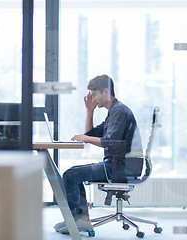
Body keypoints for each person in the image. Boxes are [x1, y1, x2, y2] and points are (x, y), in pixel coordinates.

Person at [54, 74, 142, 234]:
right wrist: (89, 111)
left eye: (94, 95)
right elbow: (92, 133)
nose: (92, 99)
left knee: (71, 175)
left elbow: (109, 142)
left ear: (105, 91)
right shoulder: (114, 112)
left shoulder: (120, 112)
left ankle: (78, 220)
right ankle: (80, 220)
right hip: (117, 165)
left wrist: (86, 138)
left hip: (120, 168)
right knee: (72, 174)